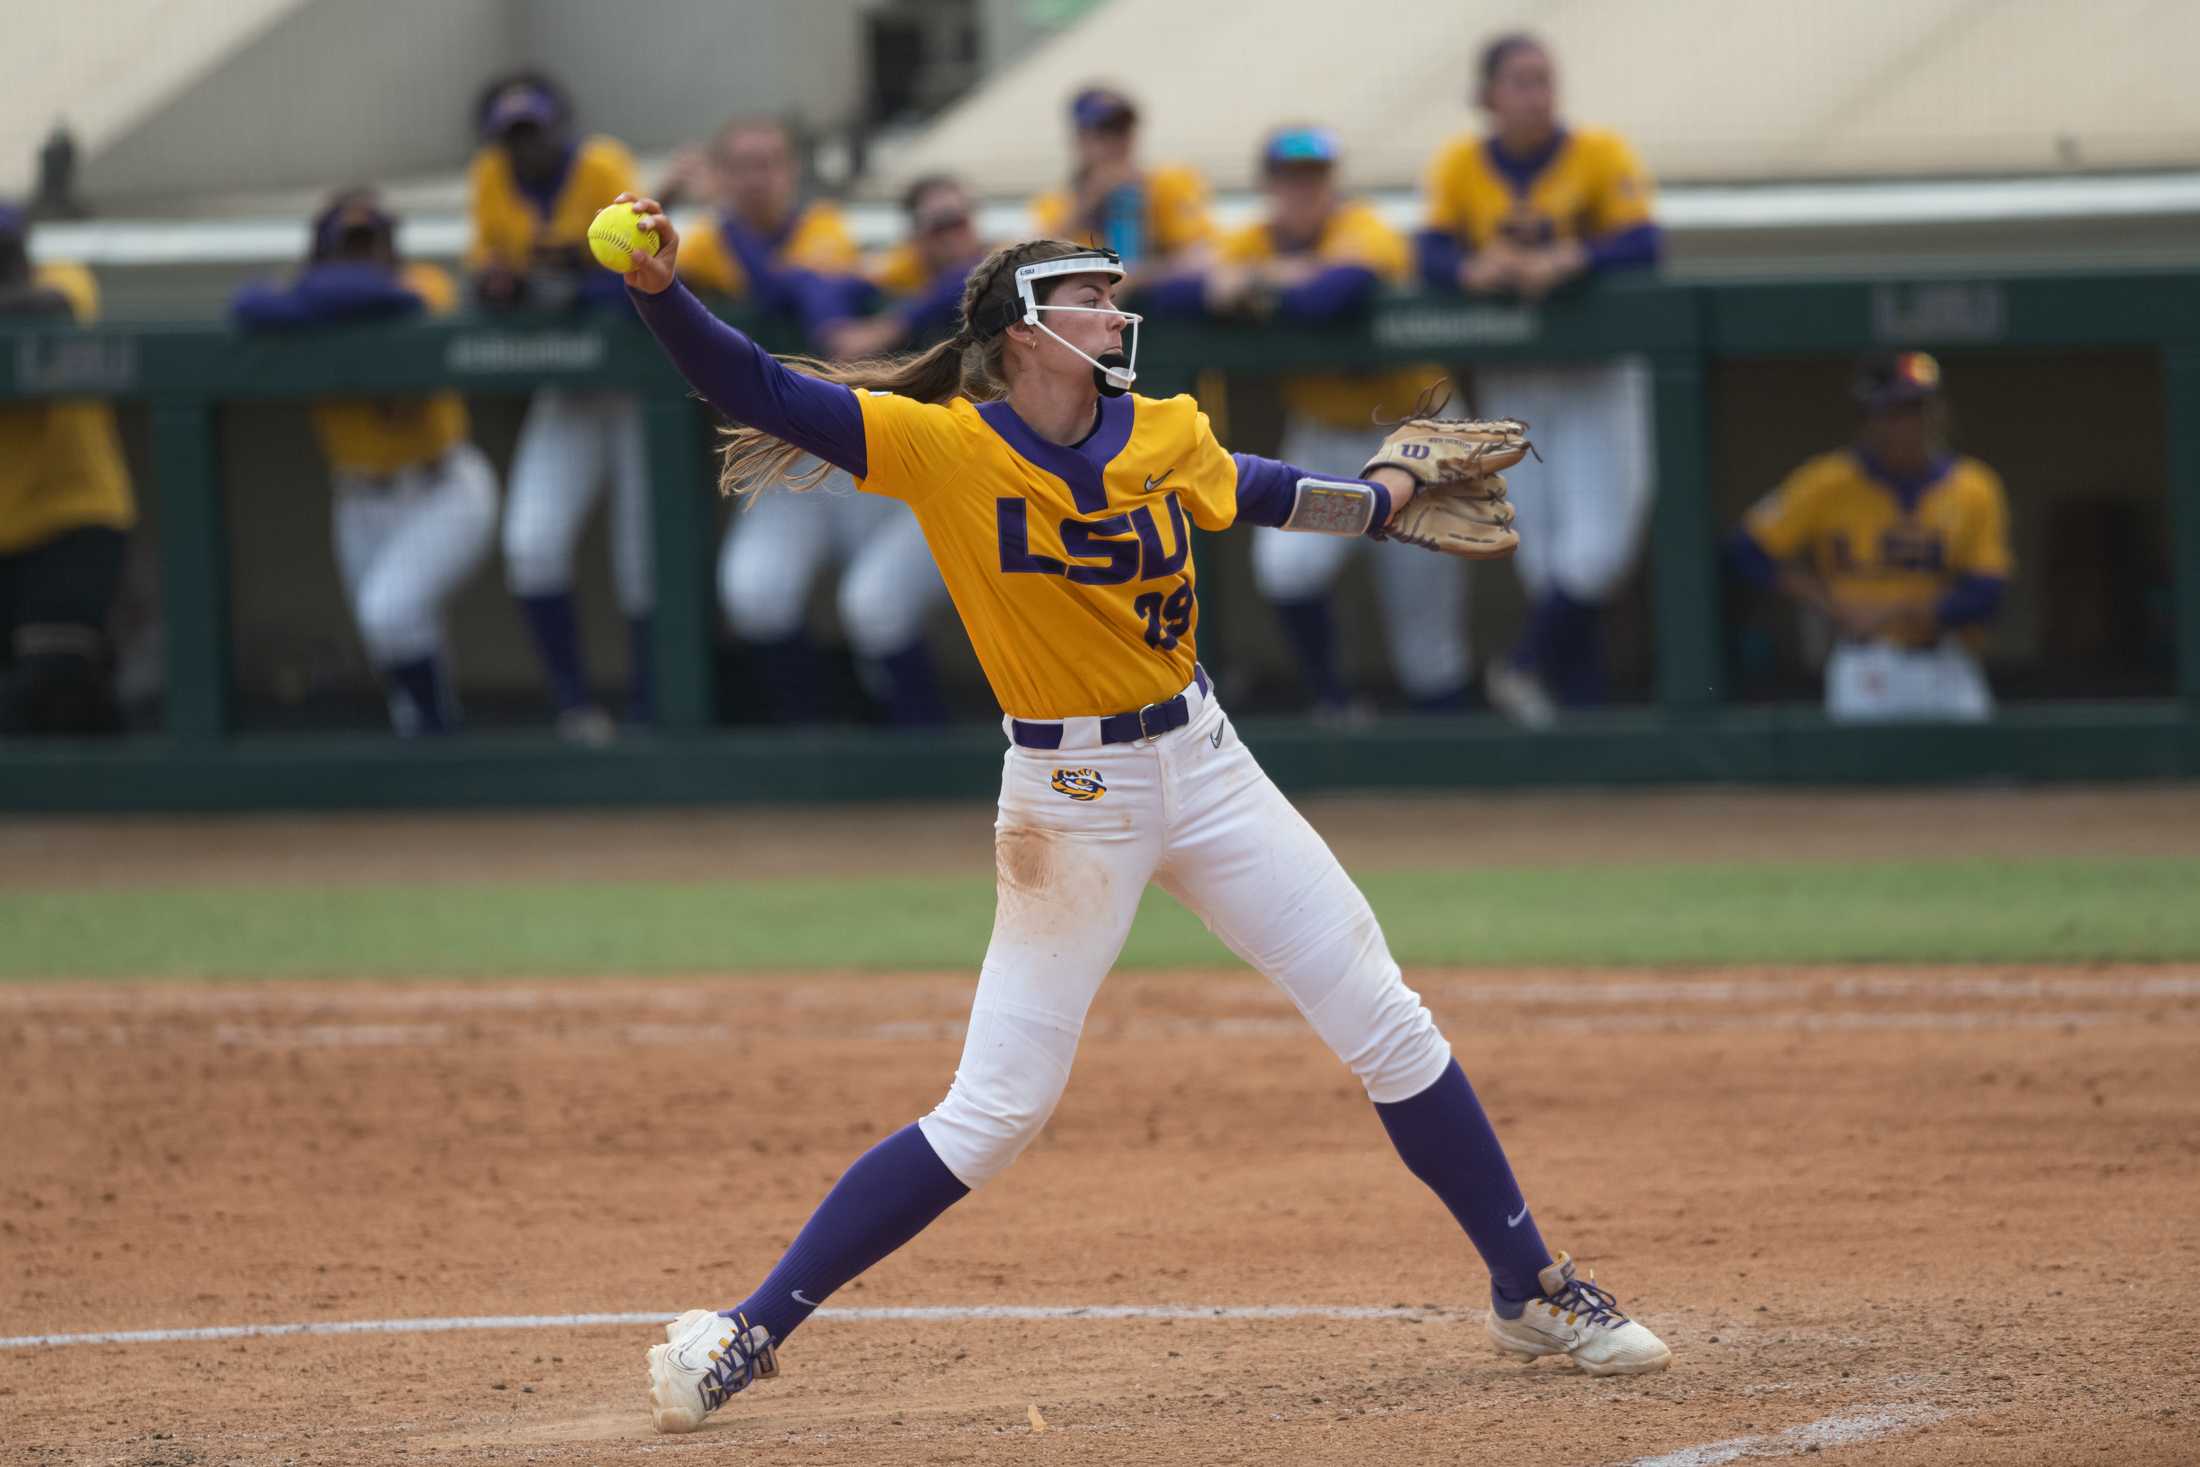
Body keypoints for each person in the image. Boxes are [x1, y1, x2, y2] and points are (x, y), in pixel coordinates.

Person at [602, 193, 1673, 1432]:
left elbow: (1261, 491)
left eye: (1113, 293)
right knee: (996, 1109)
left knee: (1382, 1016)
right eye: (1087, 298)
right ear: (1019, 332)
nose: (1114, 311)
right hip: (1068, 803)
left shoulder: (1162, 425)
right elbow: (760, 392)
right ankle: (748, 1328)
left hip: (1208, 764)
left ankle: (1527, 1285)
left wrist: (1375, 498)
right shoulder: (943, 446)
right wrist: (658, 292)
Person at [1419, 33, 1662, 726]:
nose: (1536, 92)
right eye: (1521, 80)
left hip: (1598, 370)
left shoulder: (1599, 152)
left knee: (1600, 552)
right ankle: (1575, 710)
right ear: (1487, 94)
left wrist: (1571, 257)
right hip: (1518, 373)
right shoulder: (1460, 164)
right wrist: (1473, 268)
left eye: (1544, 79)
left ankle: (1523, 664)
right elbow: (1429, 250)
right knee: (1542, 557)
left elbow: (1644, 242)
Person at [689, 134, 949, 724]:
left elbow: (802, 286)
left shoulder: (824, 226)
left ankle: (919, 738)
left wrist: (896, 321)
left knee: (877, 608)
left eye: (769, 164)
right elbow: (631, 284)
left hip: (880, 457)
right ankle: (816, 733)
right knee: (753, 593)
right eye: (743, 166)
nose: (757, 179)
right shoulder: (706, 240)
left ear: (792, 172)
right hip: (791, 458)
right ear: (724, 176)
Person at [1210, 126, 1467, 715]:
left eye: (1314, 177)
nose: (1303, 190)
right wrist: (1266, 279)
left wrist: (1259, 285)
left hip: (1414, 441)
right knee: (1287, 571)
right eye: (1289, 177)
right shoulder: (1250, 240)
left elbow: (1337, 292)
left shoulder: (1362, 226)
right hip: (1324, 438)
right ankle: (1333, 703)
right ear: (1268, 184)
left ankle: (1451, 765)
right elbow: (1197, 292)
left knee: (1426, 635)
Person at [232, 191, 498, 736]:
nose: (364, 256)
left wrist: (312, 296)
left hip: (442, 489)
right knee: (396, 638)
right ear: (324, 252)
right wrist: (314, 293)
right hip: (358, 501)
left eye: (372, 242)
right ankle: (433, 763)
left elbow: (391, 301)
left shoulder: (425, 283)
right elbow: (248, 305)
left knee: (390, 612)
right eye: (350, 245)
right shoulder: (307, 302)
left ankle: (438, 741)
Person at [466, 71, 643, 743]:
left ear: (558, 126)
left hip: (635, 387)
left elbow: (643, 267)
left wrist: (574, 281)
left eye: (533, 132)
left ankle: (657, 711)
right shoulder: (490, 176)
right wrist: (508, 284)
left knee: (643, 560)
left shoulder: (602, 165)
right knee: (532, 544)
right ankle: (574, 706)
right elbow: (484, 275)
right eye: (512, 137)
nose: (524, 148)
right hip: (565, 390)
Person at [1730, 352, 2011, 721]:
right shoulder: (1828, 482)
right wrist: (1826, 600)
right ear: (1869, 419)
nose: (1910, 424)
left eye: (1918, 408)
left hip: (1946, 658)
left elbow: (1986, 593)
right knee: (1859, 775)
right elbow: (1746, 550)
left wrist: (1901, 608)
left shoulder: (1975, 487)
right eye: (1896, 411)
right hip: (1866, 664)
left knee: (1985, 777)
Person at [0, 203, 134, 736]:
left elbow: (47, 310)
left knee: (57, 682)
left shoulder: (64, 279)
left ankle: (126, 801)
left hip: (70, 517)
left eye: (6, 253)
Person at [1028, 85, 1214, 279]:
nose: (1118, 142)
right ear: (1080, 139)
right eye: (1104, 132)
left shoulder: (1167, 183)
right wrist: (1089, 200)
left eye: (1124, 130)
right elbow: (1028, 261)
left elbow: (1202, 256)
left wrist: (1135, 275)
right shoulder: (1057, 202)